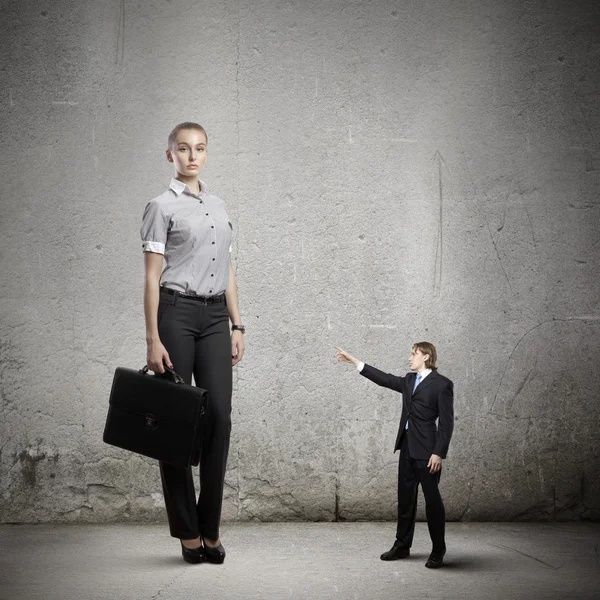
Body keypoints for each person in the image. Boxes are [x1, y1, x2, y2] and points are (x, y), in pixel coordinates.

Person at [140, 122, 245, 564]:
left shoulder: (219, 206)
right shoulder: (160, 207)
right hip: (176, 314)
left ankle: (211, 528)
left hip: (216, 315)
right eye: (183, 149)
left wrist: (238, 325)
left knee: (219, 417)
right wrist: (152, 339)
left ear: (206, 153)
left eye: (199, 148)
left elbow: (228, 269)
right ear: (170, 155)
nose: (192, 156)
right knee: (178, 423)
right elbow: (150, 276)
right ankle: (187, 531)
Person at [335, 342, 454, 568]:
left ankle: (438, 550)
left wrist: (438, 452)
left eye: (414, 354)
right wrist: (354, 361)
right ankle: (402, 546)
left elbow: (447, 424)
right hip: (407, 447)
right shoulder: (409, 381)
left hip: (428, 452)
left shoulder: (442, 385)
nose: (410, 358)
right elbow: (384, 379)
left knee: (433, 502)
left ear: (426, 356)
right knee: (405, 500)